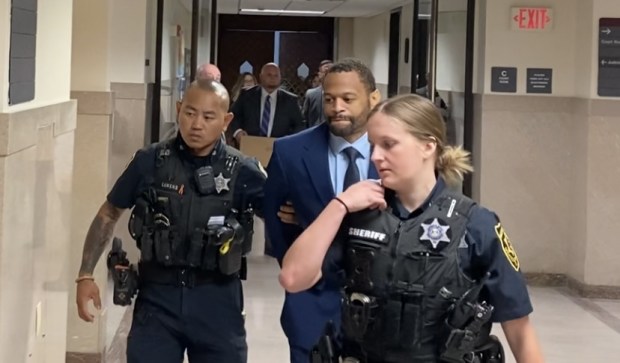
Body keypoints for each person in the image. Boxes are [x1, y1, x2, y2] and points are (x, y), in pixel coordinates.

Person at [279, 93, 544, 362]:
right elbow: (293, 278)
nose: (375, 157)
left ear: (428, 146)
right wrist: (339, 205)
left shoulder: (476, 224)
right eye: (372, 145)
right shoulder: (359, 214)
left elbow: (520, 331)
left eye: (388, 145)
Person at [74, 80, 266, 363]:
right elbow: (109, 213)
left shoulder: (243, 170)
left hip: (217, 301)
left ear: (226, 121)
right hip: (157, 300)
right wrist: (85, 274)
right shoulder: (150, 161)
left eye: (208, 117)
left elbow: (280, 218)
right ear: (178, 109)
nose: (196, 124)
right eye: (189, 113)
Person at [264, 59, 381, 362]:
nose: (337, 107)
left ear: (373, 98)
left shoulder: (393, 151)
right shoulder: (290, 152)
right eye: (329, 99)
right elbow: (278, 230)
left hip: (383, 310)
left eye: (347, 99)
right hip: (313, 304)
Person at [229, 62, 304, 146]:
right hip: (249, 147)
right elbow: (233, 116)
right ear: (261, 76)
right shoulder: (246, 95)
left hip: (279, 148)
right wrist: (238, 132)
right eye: (269, 75)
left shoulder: (290, 100)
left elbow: (299, 125)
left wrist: (290, 141)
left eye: (276, 75)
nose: (273, 78)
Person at [303, 59, 333, 127]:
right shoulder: (311, 94)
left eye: (330, 72)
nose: (328, 75)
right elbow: (304, 118)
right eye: (325, 72)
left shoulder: (341, 95)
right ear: (319, 74)